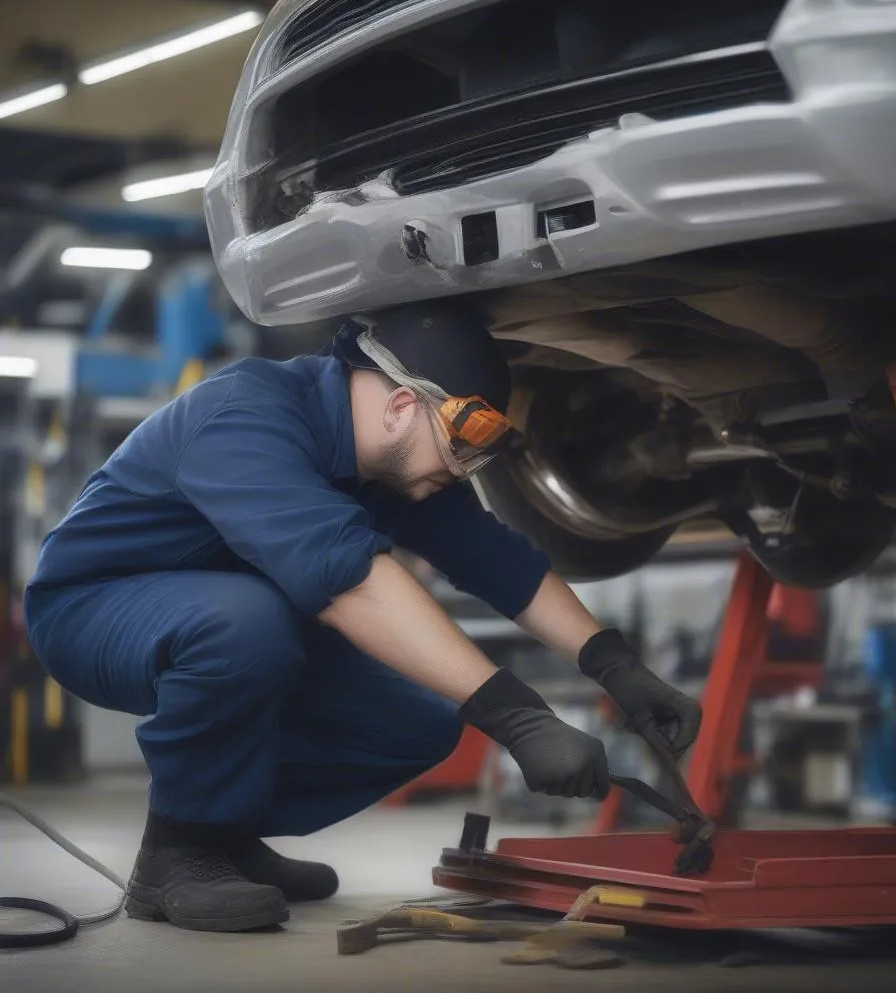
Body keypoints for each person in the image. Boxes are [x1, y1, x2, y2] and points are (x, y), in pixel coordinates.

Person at [23, 300, 701, 933]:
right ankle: (177, 850)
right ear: (402, 404)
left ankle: (219, 831)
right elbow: (350, 581)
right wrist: (521, 720)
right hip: (92, 609)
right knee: (248, 622)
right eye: (461, 446)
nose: (463, 472)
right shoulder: (247, 416)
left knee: (421, 722)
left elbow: (502, 563)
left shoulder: (388, 466)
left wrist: (617, 667)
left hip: (240, 619)